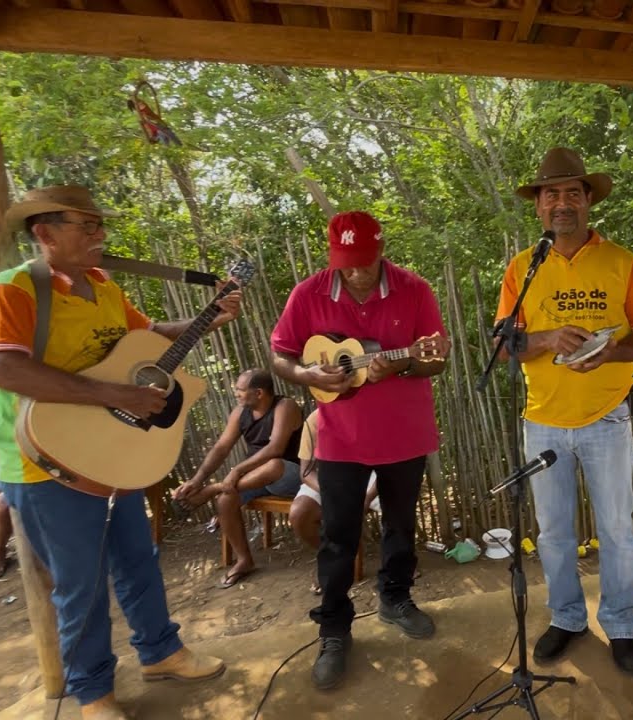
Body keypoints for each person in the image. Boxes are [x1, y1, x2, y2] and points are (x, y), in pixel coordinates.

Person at [0, 185, 238, 719]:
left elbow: (147, 338)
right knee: (82, 586)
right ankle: (93, 693)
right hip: (47, 465)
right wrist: (114, 394)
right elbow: (1, 366)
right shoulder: (14, 290)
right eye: (86, 226)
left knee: (138, 560)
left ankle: (161, 652)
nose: (99, 236)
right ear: (44, 233)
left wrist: (207, 319)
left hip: (112, 454)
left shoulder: (103, 287)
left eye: (100, 227)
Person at [496, 147, 633, 674]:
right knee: (553, 530)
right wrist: (544, 337)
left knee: (616, 527)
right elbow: (504, 346)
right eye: (551, 194)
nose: (561, 203)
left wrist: (612, 350)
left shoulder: (621, 262)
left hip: (607, 417)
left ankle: (619, 623)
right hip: (543, 419)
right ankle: (566, 617)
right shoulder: (522, 268)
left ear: (589, 200)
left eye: (572, 193)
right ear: (539, 206)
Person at [271, 210, 451, 690]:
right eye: (346, 263)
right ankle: (334, 629)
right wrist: (307, 375)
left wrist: (406, 365)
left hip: (404, 433)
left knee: (401, 525)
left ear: (381, 248)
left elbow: (436, 359)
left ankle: (395, 598)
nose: (355, 272)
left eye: (364, 262)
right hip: (339, 438)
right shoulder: (308, 293)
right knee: (338, 536)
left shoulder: (415, 289)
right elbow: (282, 354)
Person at [173, 368, 303, 588]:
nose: (236, 393)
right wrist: (197, 479)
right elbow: (222, 447)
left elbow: (275, 448)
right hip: (255, 479)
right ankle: (244, 560)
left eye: (240, 390)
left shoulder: (285, 407)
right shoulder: (240, 413)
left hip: (290, 477)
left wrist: (237, 470)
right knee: (226, 499)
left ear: (259, 393)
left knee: (273, 465)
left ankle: (214, 488)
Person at [290, 410, 379, 596]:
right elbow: (306, 471)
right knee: (299, 513)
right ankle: (332, 558)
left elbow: (392, 467)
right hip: (329, 478)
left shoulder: (374, 411)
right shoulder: (315, 420)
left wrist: (367, 497)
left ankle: (398, 562)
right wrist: (333, 493)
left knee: (394, 500)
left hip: (373, 475)